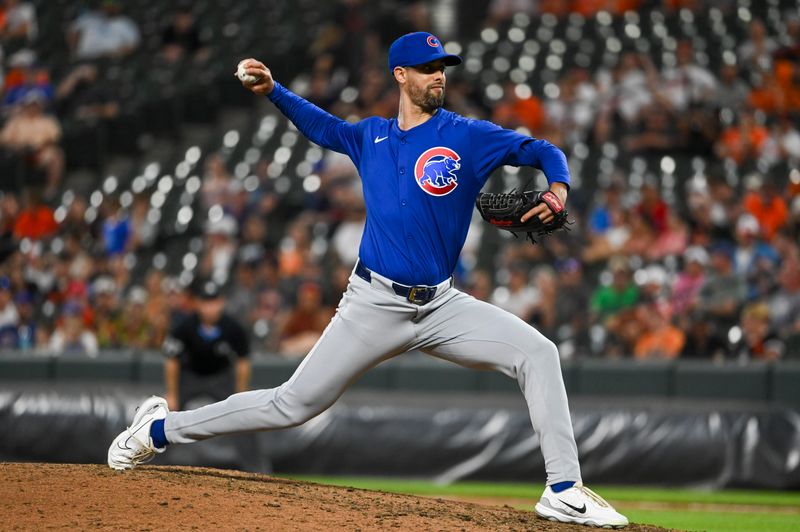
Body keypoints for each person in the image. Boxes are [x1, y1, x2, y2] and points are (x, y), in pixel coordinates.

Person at [108, 32, 628, 528]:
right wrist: (275, 92)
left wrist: (557, 190)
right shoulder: (371, 137)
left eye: (442, 68)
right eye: (427, 69)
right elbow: (322, 127)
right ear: (400, 75)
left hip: (442, 307)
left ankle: (562, 490)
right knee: (292, 405)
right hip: (374, 303)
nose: (437, 77)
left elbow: (542, 151)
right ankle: (157, 429)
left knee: (539, 353)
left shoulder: (467, 136)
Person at [161, 279, 251, 411]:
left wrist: (241, 393)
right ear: (198, 303)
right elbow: (171, 360)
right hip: (191, 376)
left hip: (220, 377)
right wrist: (172, 394)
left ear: (221, 302)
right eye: (206, 302)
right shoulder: (184, 326)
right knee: (169, 409)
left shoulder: (233, 328)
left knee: (239, 411)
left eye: (213, 302)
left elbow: (243, 361)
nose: (210, 308)